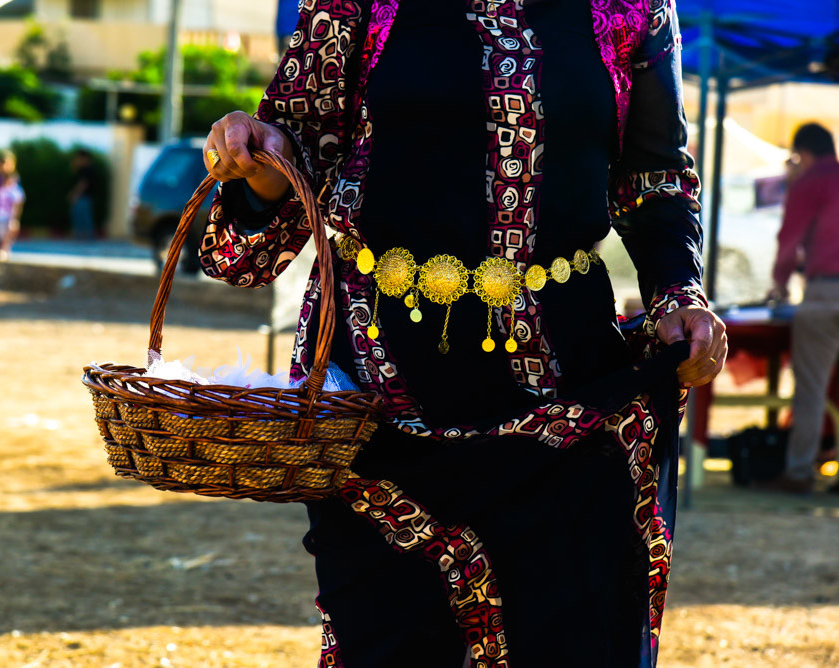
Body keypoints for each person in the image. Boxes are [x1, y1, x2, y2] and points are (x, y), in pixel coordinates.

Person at [200, 1, 727, 666]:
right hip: (385, 407)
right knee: (393, 644)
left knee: (570, 638)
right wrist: (259, 165)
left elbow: (655, 178)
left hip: (569, 405)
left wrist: (678, 291)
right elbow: (281, 177)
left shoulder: (631, 8)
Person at [767, 122, 839, 494]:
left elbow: (788, 238)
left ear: (804, 154)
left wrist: (779, 281)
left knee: (811, 389)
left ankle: (798, 472)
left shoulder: (808, 183)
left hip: (824, 294)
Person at [0, 153, 24, 262]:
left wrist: (15, 218)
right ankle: (2, 251)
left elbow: (18, 204)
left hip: (10, 217)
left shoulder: (15, 190)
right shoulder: (0, 190)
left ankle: (4, 251)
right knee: (0, 235)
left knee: (8, 235)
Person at [68, 148, 97, 240]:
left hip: (83, 197)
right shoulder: (84, 169)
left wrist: (75, 195)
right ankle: (85, 236)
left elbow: (83, 184)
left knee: (82, 217)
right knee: (82, 216)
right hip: (85, 197)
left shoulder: (87, 170)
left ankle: (85, 236)